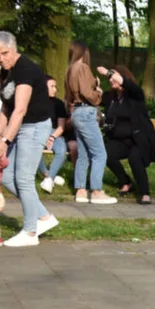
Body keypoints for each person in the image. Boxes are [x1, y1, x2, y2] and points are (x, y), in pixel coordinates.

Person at [0, 30, 59, 248]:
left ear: (14, 48)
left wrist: (5, 142)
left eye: (5, 53)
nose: (1, 59)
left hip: (35, 127)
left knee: (24, 178)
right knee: (7, 175)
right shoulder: (5, 71)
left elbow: (20, 110)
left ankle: (30, 232)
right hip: (20, 127)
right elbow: (6, 105)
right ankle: (44, 218)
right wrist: (0, 131)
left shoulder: (26, 69)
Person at [101, 65, 155, 205]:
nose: (111, 80)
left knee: (135, 158)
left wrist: (108, 72)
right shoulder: (111, 97)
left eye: (114, 77)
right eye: (110, 78)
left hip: (139, 140)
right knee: (104, 152)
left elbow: (130, 86)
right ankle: (125, 182)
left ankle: (145, 192)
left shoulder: (135, 95)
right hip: (120, 141)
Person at [65, 42, 115, 205]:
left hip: (77, 112)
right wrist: (98, 94)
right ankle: (96, 191)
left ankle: (80, 190)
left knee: (84, 153)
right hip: (87, 111)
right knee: (100, 153)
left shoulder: (69, 70)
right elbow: (88, 93)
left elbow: (74, 94)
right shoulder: (83, 68)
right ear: (83, 53)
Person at [37, 76, 68, 194]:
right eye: (52, 86)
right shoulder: (34, 103)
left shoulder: (58, 103)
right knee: (35, 148)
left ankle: (49, 179)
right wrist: (43, 136)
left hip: (54, 132)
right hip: (38, 131)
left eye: (55, 86)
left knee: (61, 150)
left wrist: (52, 137)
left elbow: (61, 127)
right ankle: (48, 175)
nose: (55, 89)